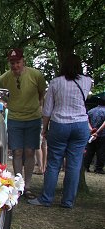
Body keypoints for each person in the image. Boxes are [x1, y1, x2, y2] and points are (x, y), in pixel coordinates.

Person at [29, 54, 92, 208]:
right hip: (81, 124)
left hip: (60, 124)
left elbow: (48, 109)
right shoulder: (87, 81)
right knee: (74, 164)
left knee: (54, 162)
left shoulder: (56, 83)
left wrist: (44, 129)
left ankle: (46, 198)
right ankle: (68, 201)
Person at [0, 48, 47, 199]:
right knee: (17, 152)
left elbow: (41, 93)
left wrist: (35, 107)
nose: (15, 66)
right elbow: (1, 97)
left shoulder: (36, 75)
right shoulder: (4, 78)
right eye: (12, 63)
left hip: (33, 118)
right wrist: (11, 105)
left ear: (23, 61)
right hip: (14, 118)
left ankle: (28, 186)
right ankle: (18, 184)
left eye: (17, 62)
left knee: (30, 151)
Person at [84, 95, 105, 174]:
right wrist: (98, 132)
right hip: (102, 134)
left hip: (91, 134)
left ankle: (86, 166)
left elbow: (86, 120)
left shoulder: (91, 111)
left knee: (90, 150)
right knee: (101, 152)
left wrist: (92, 130)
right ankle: (98, 168)